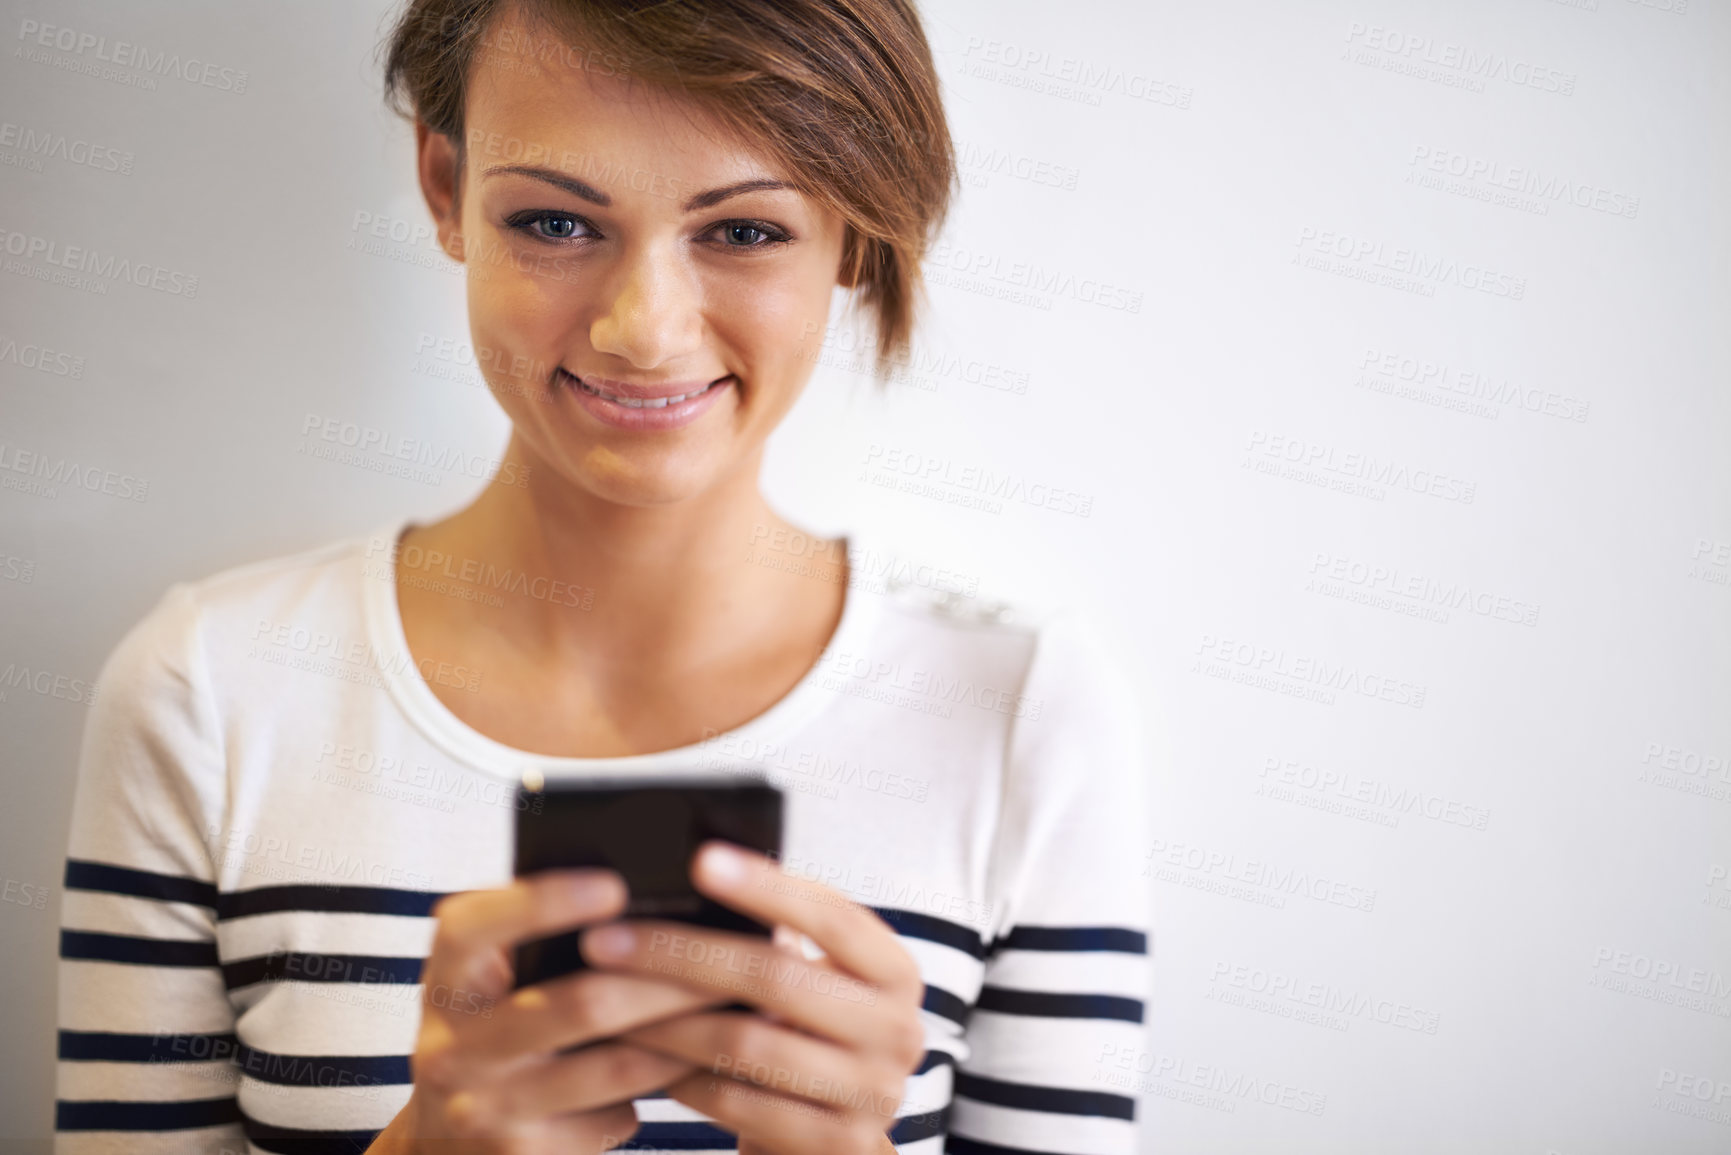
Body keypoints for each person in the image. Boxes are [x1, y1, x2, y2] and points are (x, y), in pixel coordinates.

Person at [52, 1, 1153, 1152]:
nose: (644, 330)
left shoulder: (1022, 715)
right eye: (556, 221)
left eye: (743, 232)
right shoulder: (210, 696)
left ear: (857, 230)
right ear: (445, 185)